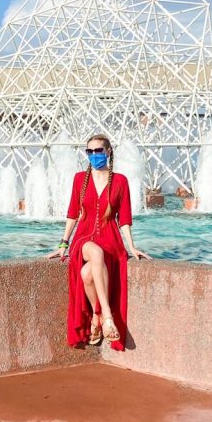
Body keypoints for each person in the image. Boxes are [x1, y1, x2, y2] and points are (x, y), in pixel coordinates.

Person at [48, 134, 150, 350]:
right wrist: (63, 244)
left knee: (87, 275)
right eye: (90, 152)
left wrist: (131, 246)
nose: (94, 155)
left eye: (98, 151)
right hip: (84, 239)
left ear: (108, 151)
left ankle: (96, 317)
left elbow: (124, 218)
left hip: (110, 238)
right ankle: (109, 317)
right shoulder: (79, 179)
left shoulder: (120, 181)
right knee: (94, 253)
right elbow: (73, 213)